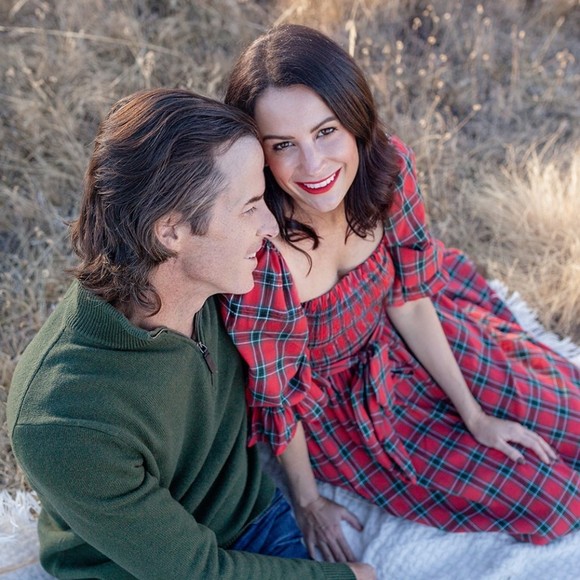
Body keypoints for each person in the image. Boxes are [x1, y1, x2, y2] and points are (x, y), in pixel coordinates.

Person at [220, 24, 580, 563]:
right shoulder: (263, 258)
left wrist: (474, 414)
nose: (313, 166)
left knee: (569, 415)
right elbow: (281, 397)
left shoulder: (387, 173)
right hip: (345, 411)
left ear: (354, 117)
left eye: (326, 131)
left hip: (409, 339)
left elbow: (409, 302)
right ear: (259, 156)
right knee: (551, 502)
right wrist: (308, 501)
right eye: (283, 145)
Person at [7, 88, 371, 579]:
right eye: (250, 206)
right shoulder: (64, 422)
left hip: (251, 517)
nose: (270, 225)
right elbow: (197, 572)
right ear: (171, 232)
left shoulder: (227, 283)